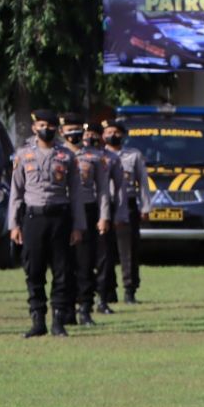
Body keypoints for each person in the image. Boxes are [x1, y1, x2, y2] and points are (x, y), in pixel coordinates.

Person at [7, 109, 86, 337]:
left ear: (57, 129)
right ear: (34, 128)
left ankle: (58, 321)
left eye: (51, 126)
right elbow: (16, 192)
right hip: (33, 218)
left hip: (60, 218)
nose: (46, 129)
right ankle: (37, 320)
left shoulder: (66, 156)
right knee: (34, 270)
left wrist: (78, 225)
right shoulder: (23, 155)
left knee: (62, 271)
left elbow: (77, 194)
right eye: (42, 125)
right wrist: (14, 224)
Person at [59, 113, 111, 327]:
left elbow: (103, 190)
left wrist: (104, 216)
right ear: (62, 132)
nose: (74, 133)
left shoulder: (94, 157)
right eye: (69, 129)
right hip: (62, 212)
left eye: (77, 129)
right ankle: (66, 310)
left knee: (85, 263)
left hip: (88, 211)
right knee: (63, 264)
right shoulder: (57, 155)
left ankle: (86, 309)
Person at [103, 119, 151, 305]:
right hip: (105, 206)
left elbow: (143, 183)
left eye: (115, 132)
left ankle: (130, 290)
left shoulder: (133, 155)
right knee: (105, 251)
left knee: (128, 250)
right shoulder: (100, 155)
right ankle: (108, 290)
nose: (111, 135)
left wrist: (146, 207)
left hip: (128, 204)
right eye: (107, 132)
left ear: (122, 134)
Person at [88, 122, 124, 316]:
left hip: (103, 209)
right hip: (81, 208)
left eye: (94, 134)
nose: (90, 138)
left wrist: (117, 214)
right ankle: (82, 298)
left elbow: (119, 189)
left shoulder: (109, 158)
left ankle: (103, 298)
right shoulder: (73, 157)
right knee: (82, 258)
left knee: (104, 258)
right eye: (88, 134)